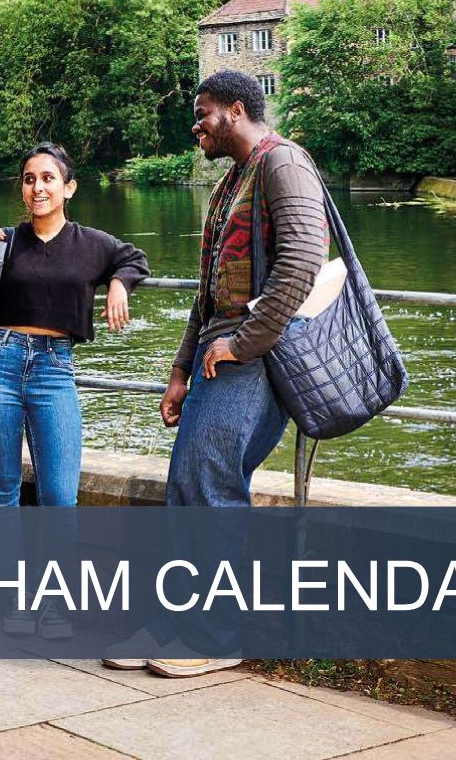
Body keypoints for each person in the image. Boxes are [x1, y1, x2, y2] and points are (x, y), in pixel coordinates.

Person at [106, 68, 329, 681]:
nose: (195, 122)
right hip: (218, 356)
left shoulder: (284, 164)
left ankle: (215, 634)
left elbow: (305, 261)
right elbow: (209, 291)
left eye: (203, 111)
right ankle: (178, 621)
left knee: (209, 485)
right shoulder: (235, 178)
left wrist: (245, 344)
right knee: (189, 483)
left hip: (254, 361)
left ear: (234, 110)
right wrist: (181, 368)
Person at [0, 141, 148, 640]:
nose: (37, 187)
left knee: (59, 496)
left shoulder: (93, 243)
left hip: (53, 370)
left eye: (48, 178)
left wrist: (118, 284)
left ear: (68, 188)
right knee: (0, 491)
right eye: (28, 179)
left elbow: (135, 259)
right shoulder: (5, 241)